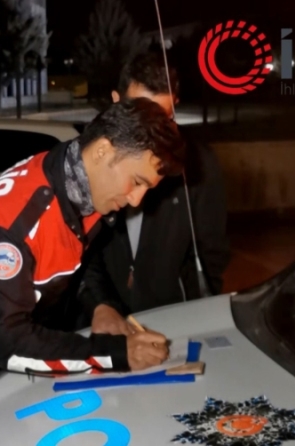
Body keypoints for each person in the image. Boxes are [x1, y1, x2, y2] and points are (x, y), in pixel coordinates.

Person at [0, 97, 187, 422]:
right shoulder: (12, 225)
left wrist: (100, 305)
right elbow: (5, 342)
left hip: (34, 344)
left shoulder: (78, 181)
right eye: (137, 182)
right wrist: (116, 355)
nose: (137, 200)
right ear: (102, 151)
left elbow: (79, 258)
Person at [79, 50, 231, 336]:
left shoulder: (200, 165)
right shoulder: (90, 158)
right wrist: (100, 303)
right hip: (101, 324)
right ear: (116, 102)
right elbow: (79, 250)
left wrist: (192, 312)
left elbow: (211, 254)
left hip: (172, 325)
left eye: (164, 119)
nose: (153, 136)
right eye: (140, 117)